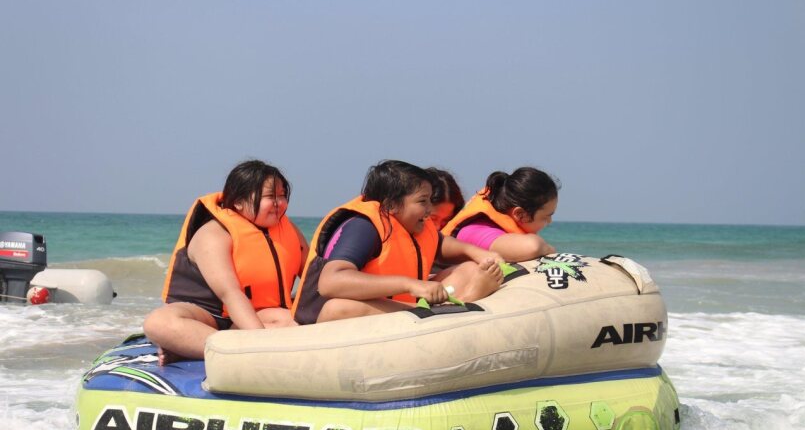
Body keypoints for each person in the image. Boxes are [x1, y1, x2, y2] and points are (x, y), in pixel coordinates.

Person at [292, 160, 504, 324]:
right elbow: (330, 282)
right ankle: (450, 309)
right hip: (324, 323)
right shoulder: (364, 227)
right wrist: (410, 285)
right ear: (392, 205)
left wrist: (478, 253)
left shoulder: (413, 225)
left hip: (398, 309)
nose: (429, 209)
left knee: (469, 269)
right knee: (340, 308)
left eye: (430, 200)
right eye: (422, 201)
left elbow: (440, 245)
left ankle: (439, 313)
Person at [143, 160, 308, 365]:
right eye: (270, 196)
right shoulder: (213, 234)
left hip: (254, 316)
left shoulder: (288, 230)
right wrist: (261, 344)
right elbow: (230, 293)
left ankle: (195, 347)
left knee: (299, 320)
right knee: (158, 323)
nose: (279, 203)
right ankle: (228, 347)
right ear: (239, 202)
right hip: (206, 316)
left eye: (282, 196)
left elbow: (312, 277)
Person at [442, 167, 559, 262]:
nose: (549, 222)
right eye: (546, 216)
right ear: (520, 214)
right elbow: (533, 247)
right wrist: (549, 249)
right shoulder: (476, 231)